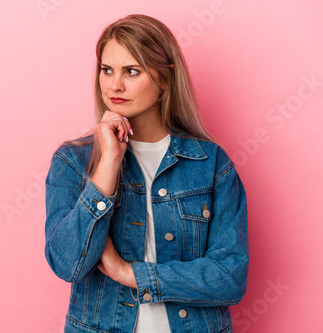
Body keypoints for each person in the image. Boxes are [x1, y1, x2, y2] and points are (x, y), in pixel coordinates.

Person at [44, 14, 248, 333]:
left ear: (165, 79)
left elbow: (230, 278)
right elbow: (67, 264)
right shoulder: (73, 161)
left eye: (132, 71)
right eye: (107, 69)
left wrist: (131, 274)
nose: (115, 85)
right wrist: (108, 165)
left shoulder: (210, 163)